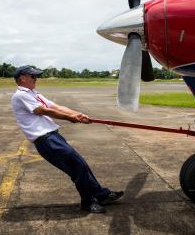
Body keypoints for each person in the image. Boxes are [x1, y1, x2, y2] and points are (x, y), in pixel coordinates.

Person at [11, 65, 123, 213]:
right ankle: (88, 202)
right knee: (78, 168)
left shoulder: (33, 93)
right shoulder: (21, 95)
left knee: (80, 165)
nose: (36, 79)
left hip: (53, 137)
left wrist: (78, 114)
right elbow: (43, 110)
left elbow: (56, 106)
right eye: (33, 76)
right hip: (46, 140)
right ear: (22, 78)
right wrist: (70, 118)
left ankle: (100, 194)